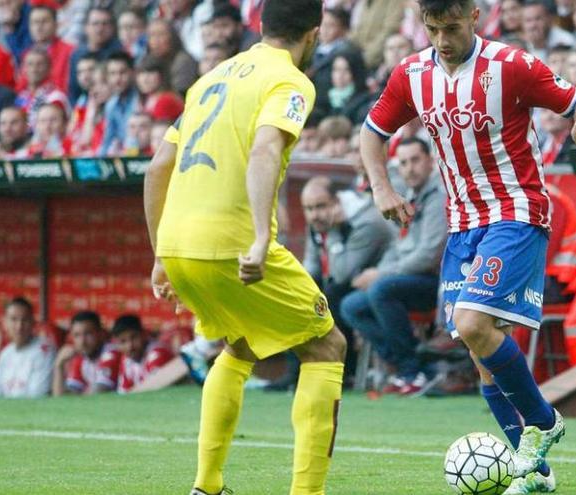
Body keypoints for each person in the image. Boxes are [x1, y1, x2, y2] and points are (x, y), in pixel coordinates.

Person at [359, 0, 576, 492]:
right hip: (463, 223)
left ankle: (542, 421)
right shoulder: (412, 73)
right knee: (477, 348)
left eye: (451, 27)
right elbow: (372, 131)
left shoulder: (510, 66)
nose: (442, 40)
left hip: (516, 210)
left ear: (474, 16)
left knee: (472, 323)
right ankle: (534, 473)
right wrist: (382, 188)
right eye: (432, 29)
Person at [143, 1, 346, 493]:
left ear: (258, 24)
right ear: (315, 34)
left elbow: (156, 169)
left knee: (240, 343)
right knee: (326, 345)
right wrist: (259, 238)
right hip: (232, 244)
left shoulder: (212, 76)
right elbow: (265, 148)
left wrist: (158, 256)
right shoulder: (291, 81)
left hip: (177, 244)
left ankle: (206, 486)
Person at [341, 137, 447, 395]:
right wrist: (375, 273)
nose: (409, 168)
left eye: (415, 160)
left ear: (430, 161)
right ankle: (411, 366)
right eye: (403, 163)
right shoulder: (410, 195)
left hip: (438, 282)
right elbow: (397, 247)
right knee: (351, 305)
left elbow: (429, 255)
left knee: (382, 289)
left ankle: (412, 371)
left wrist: (381, 274)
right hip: (406, 278)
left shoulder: (438, 197)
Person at [301, 175, 393, 386]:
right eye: (308, 209)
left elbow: (341, 273)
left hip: (377, 281)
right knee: (302, 294)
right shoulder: (318, 224)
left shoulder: (364, 222)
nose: (314, 215)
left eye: (320, 206)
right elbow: (311, 267)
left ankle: (344, 369)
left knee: (333, 297)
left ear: (337, 202)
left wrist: (334, 233)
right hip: (351, 283)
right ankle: (296, 373)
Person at [0, 297, 56, 398]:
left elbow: (37, 396)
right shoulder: (5, 353)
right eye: (14, 319)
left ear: (33, 322)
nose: (19, 326)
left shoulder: (44, 349)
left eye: (25, 320)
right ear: (5, 323)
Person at [52, 310, 120, 396]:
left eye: (88, 334)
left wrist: (74, 397)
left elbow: (97, 393)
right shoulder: (81, 357)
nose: (82, 341)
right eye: (77, 335)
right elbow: (61, 397)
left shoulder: (112, 353)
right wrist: (59, 365)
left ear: (100, 333)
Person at [105, 314, 173, 394]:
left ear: (143, 334)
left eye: (134, 337)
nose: (130, 346)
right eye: (123, 341)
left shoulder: (157, 352)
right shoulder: (127, 359)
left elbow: (156, 386)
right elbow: (124, 393)